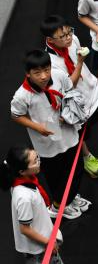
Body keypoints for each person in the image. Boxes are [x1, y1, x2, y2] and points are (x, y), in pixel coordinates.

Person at [40, 16, 98, 171]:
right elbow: (69, 85)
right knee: (80, 135)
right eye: (63, 36)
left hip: (92, 88)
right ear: (50, 40)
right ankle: (87, 159)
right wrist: (80, 62)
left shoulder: (73, 39)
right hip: (75, 103)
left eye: (69, 32)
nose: (69, 37)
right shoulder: (50, 64)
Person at [3, 146, 79, 264]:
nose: (39, 162)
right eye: (35, 161)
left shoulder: (28, 181)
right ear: (22, 171)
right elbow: (25, 229)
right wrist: (48, 242)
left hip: (45, 239)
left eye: (37, 157)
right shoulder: (23, 196)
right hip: (37, 247)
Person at [10, 51, 89, 219]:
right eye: (37, 72)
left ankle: (69, 198)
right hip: (46, 144)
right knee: (56, 176)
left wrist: (68, 113)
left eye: (46, 70)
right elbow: (16, 115)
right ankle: (58, 206)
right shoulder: (22, 95)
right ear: (28, 73)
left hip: (68, 134)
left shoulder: (58, 76)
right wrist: (37, 127)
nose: (44, 76)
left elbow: (69, 90)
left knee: (76, 169)